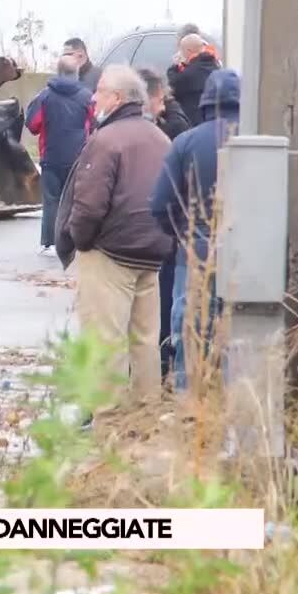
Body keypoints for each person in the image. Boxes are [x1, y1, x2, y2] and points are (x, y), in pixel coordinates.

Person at [54, 65, 175, 408]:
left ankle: (109, 423)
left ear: (118, 98)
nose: (94, 97)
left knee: (105, 342)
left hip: (110, 254)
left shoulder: (106, 140)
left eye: (101, 91)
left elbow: (89, 205)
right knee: (145, 342)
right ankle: (145, 416)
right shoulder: (160, 139)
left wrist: (80, 240)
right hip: (151, 254)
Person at [149, 69, 240, 392]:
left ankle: (190, 405)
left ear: (204, 104)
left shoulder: (186, 142)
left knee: (191, 334)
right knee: (241, 335)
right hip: (248, 258)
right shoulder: (257, 140)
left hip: (195, 255)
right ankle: (234, 403)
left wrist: (183, 235)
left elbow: (160, 204)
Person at [138, 68, 192, 379]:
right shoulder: (175, 125)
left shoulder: (173, 130)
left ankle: (162, 364)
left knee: (164, 301)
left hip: (167, 235)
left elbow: (167, 192)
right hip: (170, 234)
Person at [24, 54, 92, 253]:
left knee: (51, 201)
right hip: (78, 158)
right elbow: (95, 122)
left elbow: (32, 125)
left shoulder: (45, 96)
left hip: (51, 157)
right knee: (75, 201)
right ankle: (73, 242)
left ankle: (50, 243)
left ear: (58, 71)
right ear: (77, 72)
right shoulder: (87, 96)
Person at [167, 33, 221, 127]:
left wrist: (175, 66)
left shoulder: (187, 75)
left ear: (188, 51)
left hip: (193, 124)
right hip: (213, 122)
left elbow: (173, 84)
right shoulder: (215, 67)